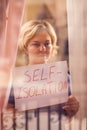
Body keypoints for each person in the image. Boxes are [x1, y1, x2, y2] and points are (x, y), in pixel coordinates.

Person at [9, 20, 79, 119]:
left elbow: (67, 116)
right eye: (36, 44)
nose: (43, 49)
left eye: (47, 44)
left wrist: (73, 109)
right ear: (25, 48)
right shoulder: (15, 81)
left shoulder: (64, 78)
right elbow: (7, 115)